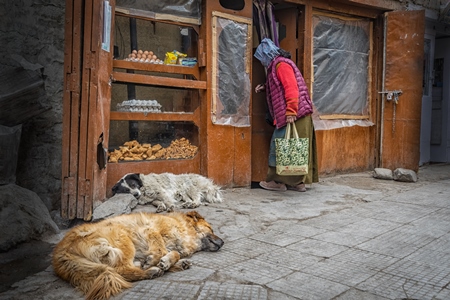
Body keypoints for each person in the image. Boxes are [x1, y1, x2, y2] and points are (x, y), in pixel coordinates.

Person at [254, 38, 318, 192]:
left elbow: (291, 89)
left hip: (295, 114)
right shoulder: (278, 65)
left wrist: (291, 111)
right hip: (297, 114)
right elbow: (281, 86)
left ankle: (278, 182)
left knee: (281, 146)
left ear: (267, 55)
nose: (262, 61)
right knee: (294, 148)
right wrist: (265, 88)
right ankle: (297, 183)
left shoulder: (281, 65)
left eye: (261, 57)